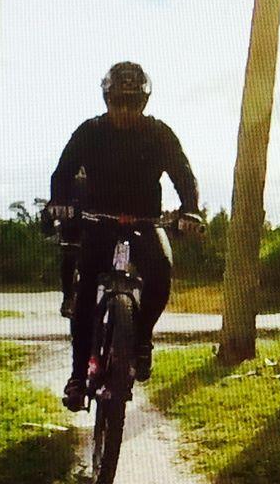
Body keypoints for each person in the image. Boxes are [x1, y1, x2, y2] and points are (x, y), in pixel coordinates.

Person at [46, 61, 203, 412]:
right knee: (84, 293)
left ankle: (142, 338)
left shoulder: (159, 133)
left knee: (161, 274)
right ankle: (76, 375)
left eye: (133, 104)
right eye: (118, 102)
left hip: (145, 223)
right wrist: (59, 204)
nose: (125, 111)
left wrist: (190, 209)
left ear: (144, 104)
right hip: (98, 222)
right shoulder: (89, 131)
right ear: (107, 99)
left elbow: (183, 174)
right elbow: (63, 173)